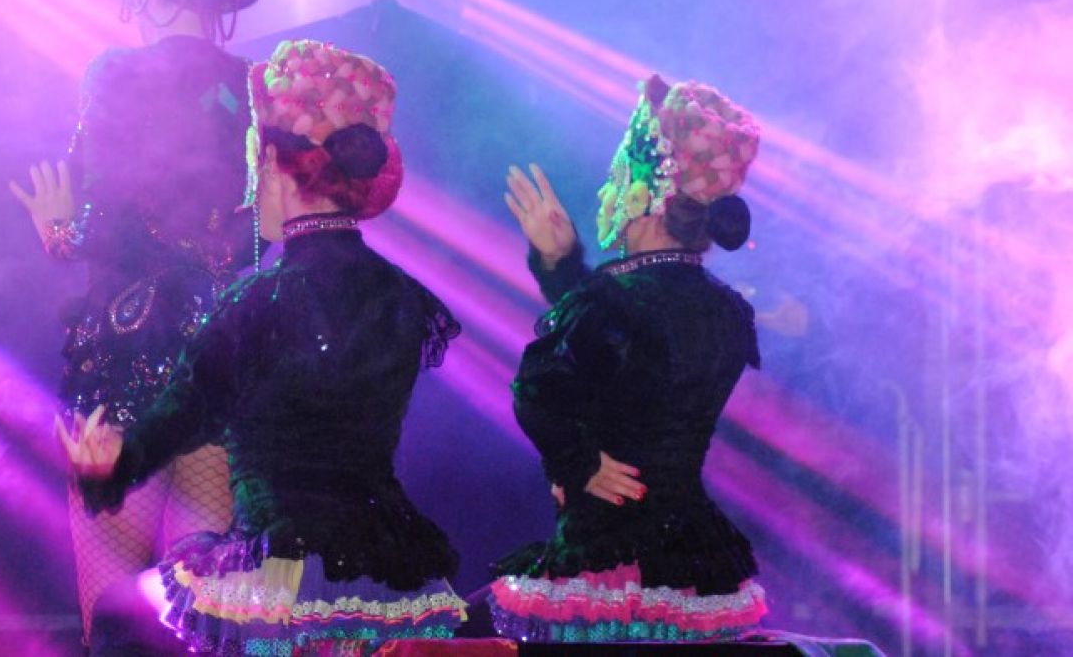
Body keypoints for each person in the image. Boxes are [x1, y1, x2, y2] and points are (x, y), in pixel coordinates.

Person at [58, 40, 467, 655]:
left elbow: (187, 414)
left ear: (271, 163)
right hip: (388, 574)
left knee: (117, 617)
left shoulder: (258, 302)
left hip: (278, 573)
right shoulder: (405, 298)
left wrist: (114, 464)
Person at [8, 0, 273, 646]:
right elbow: (263, 238)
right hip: (222, 358)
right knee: (209, 625)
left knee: (117, 625)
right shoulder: (256, 87)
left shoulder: (115, 73)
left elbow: (102, 217)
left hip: (125, 362)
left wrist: (60, 233)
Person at [489, 75, 768, 643]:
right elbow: (635, 362)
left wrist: (576, 463)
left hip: (610, 551)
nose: (607, 190)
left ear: (646, 194)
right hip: (690, 556)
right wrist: (565, 268)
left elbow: (538, 388)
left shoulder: (610, 299)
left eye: (619, 176)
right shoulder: (727, 311)